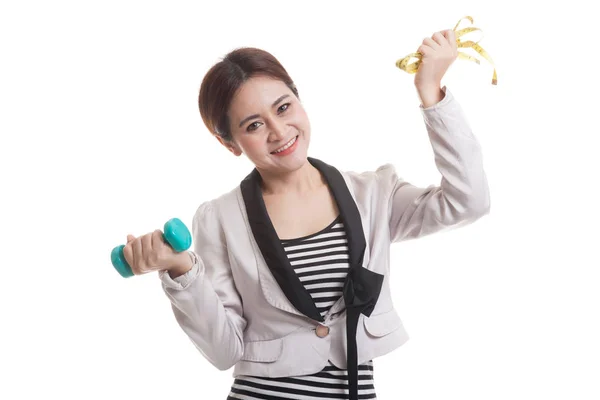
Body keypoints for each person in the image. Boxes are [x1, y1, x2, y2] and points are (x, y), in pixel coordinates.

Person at [123, 28, 490, 400]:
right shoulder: (219, 218)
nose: (279, 131)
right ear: (229, 143)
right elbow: (223, 351)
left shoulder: (373, 195)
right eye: (253, 125)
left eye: (283, 107)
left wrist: (432, 93)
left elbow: (468, 200)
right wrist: (181, 270)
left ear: (299, 101)